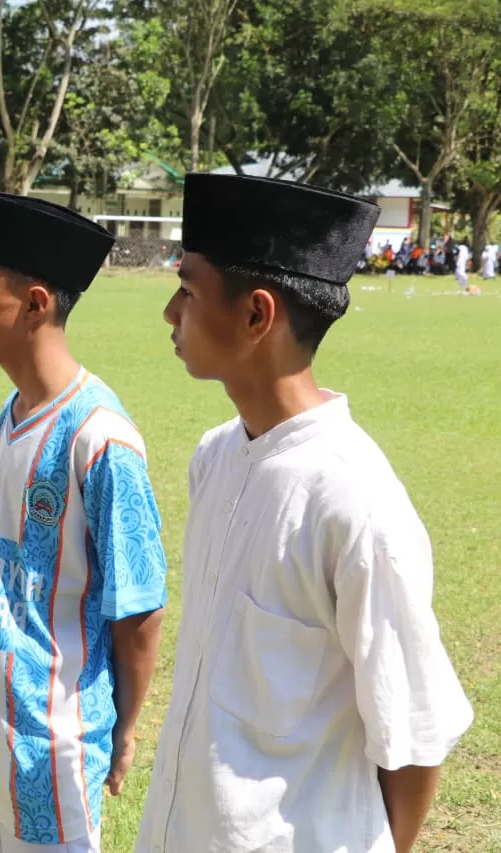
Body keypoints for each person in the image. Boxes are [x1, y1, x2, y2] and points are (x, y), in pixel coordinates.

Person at [136, 173, 474, 853]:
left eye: (188, 291)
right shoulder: (216, 456)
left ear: (256, 316)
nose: (170, 312)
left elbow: (414, 737)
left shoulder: (353, 500)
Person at [0, 191, 168, 853]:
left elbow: (139, 607)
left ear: (36, 303)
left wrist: (124, 728)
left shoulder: (101, 439)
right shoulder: (13, 409)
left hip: (52, 746)